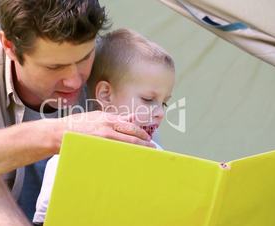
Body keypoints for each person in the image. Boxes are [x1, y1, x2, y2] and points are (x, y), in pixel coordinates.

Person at [0, 1, 155, 225]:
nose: (73, 81)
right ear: (9, 46)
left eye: (84, 58)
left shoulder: (112, 70)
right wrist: (57, 134)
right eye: (54, 67)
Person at [33, 28, 176, 225]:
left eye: (164, 103)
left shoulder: (158, 156)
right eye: (148, 99)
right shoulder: (70, 157)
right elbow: (45, 220)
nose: (160, 112)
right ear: (106, 95)